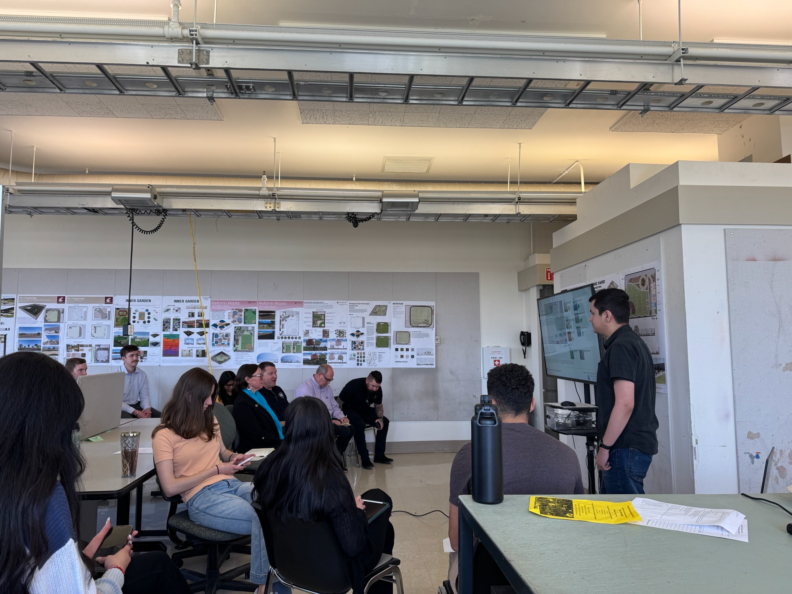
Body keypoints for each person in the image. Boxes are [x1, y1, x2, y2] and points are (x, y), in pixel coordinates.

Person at [0, 352, 191, 594]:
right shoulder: (43, 498)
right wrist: (116, 571)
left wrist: (79, 559)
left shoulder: (18, 487)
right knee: (159, 566)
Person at [447, 363, 583, 593]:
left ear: (490, 403)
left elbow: (456, 540)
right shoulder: (568, 456)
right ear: (532, 404)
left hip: (488, 576)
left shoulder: (469, 455)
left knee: (454, 557)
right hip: (554, 576)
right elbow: (578, 528)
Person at [152, 368, 289, 594]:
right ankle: (265, 586)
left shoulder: (209, 419)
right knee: (263, 517)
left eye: (212, 395)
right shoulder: (164, 435)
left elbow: (222, 452)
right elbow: (170, 487)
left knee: (278, 499)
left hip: (230, 484)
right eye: (207, 396)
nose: (210, 402)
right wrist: (216, 469)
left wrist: (234, 457)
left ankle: (274, 581)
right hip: (201, 497)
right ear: (189, 396)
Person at [253, 397, 395, 594]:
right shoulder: (330, 479)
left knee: (379, 503)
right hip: (335, 573)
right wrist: (356, 513)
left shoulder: (268, 468)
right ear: (325, 429)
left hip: (288, 564)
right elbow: (353, 545)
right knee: (383, 514)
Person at [589, 288, 659, 494]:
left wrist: (605, 448)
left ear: (607, 315)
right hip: (630, 446)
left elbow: (625, 402)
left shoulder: (621, 347)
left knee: (625, 517)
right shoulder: (633, 342)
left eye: (593, 313)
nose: (590, 318)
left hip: (624, 447)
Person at [293, 364, 353, 456]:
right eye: (328, 379)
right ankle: (328, 459)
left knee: (350, 429)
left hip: (328, 421)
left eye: (330, 380)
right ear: (320, 374)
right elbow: (308, 414)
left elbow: (334, 407)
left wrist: (342, 417)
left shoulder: (327, 389)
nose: (329, 382)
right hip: (313, 423)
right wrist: (330, 422)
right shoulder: (306, 388)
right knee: (335, 430)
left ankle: (335, 457)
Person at [339, 371, 392, 469]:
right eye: (373, 386)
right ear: (367, 380)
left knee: (385, 421)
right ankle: (365, 459)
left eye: (377, 386)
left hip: (364, 410)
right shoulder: (353, 385)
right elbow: (339, 402)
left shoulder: (377, 389)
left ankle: (379, 456)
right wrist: (340, 417)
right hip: (350, 410)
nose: (375, 389)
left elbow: (378, 405)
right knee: (359, 424)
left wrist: (380, 418)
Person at [232, 364, 284, 454]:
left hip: (267, 442)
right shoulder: (243, 403)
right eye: (260, 376)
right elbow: (256, 434)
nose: (263, 378)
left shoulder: (258, 396)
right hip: (256, 448)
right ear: (248, 379)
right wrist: (281, 442)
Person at [118, 345, 160, 419]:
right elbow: (116, 401)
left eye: (137, 355)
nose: (135, 358)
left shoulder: (142, 375)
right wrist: (136, 412)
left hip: (136, 405)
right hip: (120, 407)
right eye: (132, 356)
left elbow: (144, 397)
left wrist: (147, 409)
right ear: (123, 359)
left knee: (163, 417)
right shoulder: (115, 375)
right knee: (131, 421)